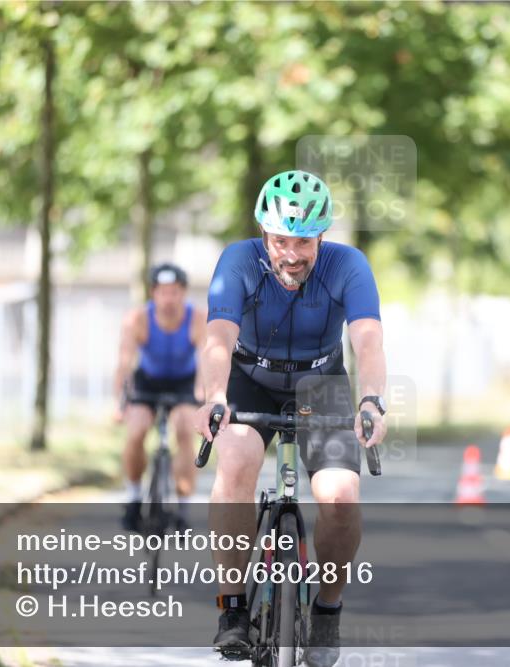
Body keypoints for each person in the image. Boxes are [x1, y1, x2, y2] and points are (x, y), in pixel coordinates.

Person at [194, 169, 387, 666]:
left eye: (304, 241)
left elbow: (367, 339)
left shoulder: (350, 265)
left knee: (341, 497)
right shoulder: (238, 261)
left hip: (320, 385)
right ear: (264, 232)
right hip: (249, 379)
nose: (292, 254)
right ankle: (232, 608)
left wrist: (371, 401)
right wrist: (215, 396)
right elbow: (219, 335)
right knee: (235, 461)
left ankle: (327, 608)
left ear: (323, 236)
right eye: (281, 239)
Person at [113, 263, 206, 532]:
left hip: (184, 384)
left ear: (184, 293)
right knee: (137, 428)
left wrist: (202, 395)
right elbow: (124, 363)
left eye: (175, 292)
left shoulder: (198, 318)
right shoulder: (138, 319)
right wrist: (120, 401)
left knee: (186, 429)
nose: (169, 299)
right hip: (148, 382)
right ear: (153, 293)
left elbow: (205, 361)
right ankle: (132, 497)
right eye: (163, 292)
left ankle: (184, 508)